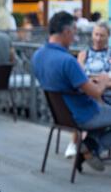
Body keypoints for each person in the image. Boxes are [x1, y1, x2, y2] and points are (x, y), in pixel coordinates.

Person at [32, 11, 111, 171]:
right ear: (67, 31)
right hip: (83, 115)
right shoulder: (68, 61)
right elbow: (95, 93)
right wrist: (103, 81)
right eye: (74, 32)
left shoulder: (38, 55)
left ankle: (87, 147)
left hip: (60, 115)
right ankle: (91, 146)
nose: (75, 37)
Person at [64, 22, 111, 158]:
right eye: (96, 34)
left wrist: (100, 82)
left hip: (105, 93)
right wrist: (101, 80)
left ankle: (87, 146)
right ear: (92, 35)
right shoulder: (84, 54)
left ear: (108, 36)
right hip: (89, 95)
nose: (98, 38)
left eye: (102, 35)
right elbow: (78, 77)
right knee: (93, 104)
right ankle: (88, 147)